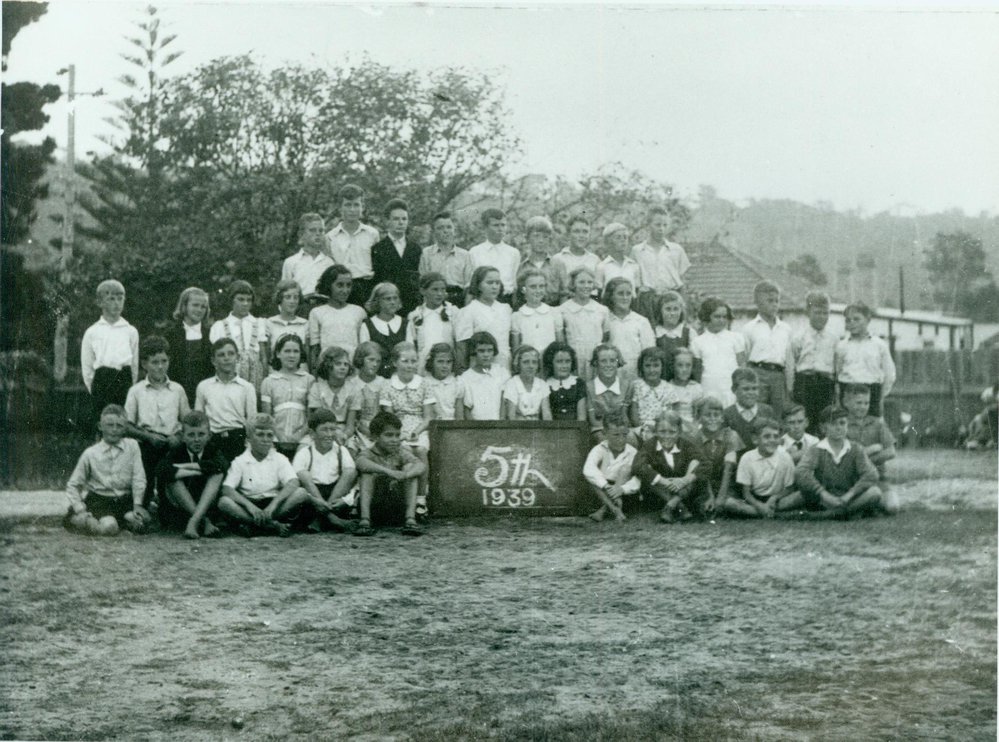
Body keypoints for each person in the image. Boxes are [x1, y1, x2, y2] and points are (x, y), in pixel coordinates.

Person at [124, 335, 190, 510]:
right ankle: (145, 504)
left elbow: (188, 421)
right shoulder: (136, 391)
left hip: (172, 445)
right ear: (144, 364)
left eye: (164, 361)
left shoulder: (177, 390)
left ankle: (168, 506)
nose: (160, 366)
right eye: (155, 362)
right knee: (143, 486)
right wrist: (148, 436)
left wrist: (178, 436)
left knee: (169, 497)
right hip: (146, 445)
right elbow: (127, 425)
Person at [64, 404, 148, 536]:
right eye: (109, 425)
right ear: (100, 426)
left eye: (119, 426)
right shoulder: (91, 453)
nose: (114, 429)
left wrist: (137, 504)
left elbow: (139, 477)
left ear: (125, 428)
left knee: (139, 523)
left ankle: (119, 526)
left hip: (124, 500)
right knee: (110, 527)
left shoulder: (132, 447)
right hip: (100, 501)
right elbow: (73, 485)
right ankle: (83, 520)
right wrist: (80, 509)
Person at [795, 405, 893, 516]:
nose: (839, 427)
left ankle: (834, 514)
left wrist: (849, 495)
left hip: (849, 497)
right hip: (825, 498)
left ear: (847, 426)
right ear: (823, 428)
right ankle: (842, 512)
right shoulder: (817, 449)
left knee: (875, 493)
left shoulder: (855, 448)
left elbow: (871, 474)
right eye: (833, 424)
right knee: (800, 495)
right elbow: (801, 472)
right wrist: (823, 493)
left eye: (842, 423)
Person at [217, 413, 306, 536]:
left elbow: (293, 482)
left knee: (300, 493)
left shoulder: (279, 458)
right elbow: (227, 489)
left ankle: (255, 526)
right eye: (260, 435)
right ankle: (272, 525)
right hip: (250, 506)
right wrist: (251, 507)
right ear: (248, 439)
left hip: (273, 505)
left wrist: (272, 506)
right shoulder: (240, 461)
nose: (265, 440)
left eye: (269, 435)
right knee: (224, 502)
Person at [379, 342, 436, 519]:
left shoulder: (424, 384)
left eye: (413, 361)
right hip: (396, 428)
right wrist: (400, 433)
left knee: (419, 450)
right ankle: (404, 500)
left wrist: (417, 432)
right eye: (405, 361)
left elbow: (428, 417)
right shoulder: (388, 386)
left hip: (419, 427)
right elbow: (388, 417)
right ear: (395, 363)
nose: (410, 365)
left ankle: (420, 499)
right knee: (405, 451)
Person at [354, 411, 427, 537]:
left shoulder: (400, 452)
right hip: (374, 509)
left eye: (397, 435)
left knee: (410, 467)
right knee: (368, 473)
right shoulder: (369, 453)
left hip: (397, 508)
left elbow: (420, 465)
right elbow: (360, 462)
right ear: (376, 437)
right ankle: (364, 522)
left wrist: (405, 475)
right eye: (389, 435)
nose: (394, 440)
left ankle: (410, 519)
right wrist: (389, 472)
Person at [156, 410, 227, 539]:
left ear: (209, 435)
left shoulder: (212, 449)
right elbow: (161, 470)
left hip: (206, 506)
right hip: (180, 512)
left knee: (217, 474)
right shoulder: (177, 451)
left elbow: (221, 466)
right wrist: (194, 471)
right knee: (173, 478)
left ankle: (194, 522)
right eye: (191, 435)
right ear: (182, 436)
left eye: (201, 434)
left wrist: (184, 467)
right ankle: (203, 522)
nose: (196, 439)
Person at [81, 279, 139, 430]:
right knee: (103, 423)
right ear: (100, 302)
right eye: (111, 299)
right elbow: (87, 367)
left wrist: (130, 385)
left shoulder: (130, 331)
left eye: (120, 299)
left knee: (122, 423)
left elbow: (134, 365)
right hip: (102, 382)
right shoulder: (92, 332)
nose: (117, 303)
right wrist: (95, 388)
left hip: (123, 380)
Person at [291, 409, 358, 532]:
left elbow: (352, 482)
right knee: (303, 474)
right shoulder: (305, 453)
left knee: (350, 471)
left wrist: (345, 500)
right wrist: (316, 501)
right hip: (312, 500)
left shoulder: (341, 451)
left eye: (333, 429)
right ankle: (332, 519)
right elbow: (297, 482)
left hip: (334, 499)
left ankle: (321, 518)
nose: (329, 434)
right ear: (312, 433)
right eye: (324, 430)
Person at [195, 338, 258, 463]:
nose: (226, 358)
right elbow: (199, 418)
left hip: (237, 439)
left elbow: (251, 420)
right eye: (221, 355)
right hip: (212, 439)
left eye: (231, 354)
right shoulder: (204, 386)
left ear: (238, 357)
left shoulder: (247, 387)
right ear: (213, 360)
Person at [723, 417, 799, 518]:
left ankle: (764, 513)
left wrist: (774, 498)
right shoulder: (747, 458)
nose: (772, 440)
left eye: (775, 437)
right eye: (767, 437)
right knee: (729, 503)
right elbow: (746, 494)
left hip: (778, 499)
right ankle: (774, 514)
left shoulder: (785, 457)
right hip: (755, 499)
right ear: (755, 439)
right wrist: (759, 505)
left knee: (800, 496)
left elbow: (790, 488)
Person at [633, 411, 702, 523]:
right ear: (655, 432)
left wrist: (685, 480)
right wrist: (663, 481)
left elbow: (705, 464)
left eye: (672, 432)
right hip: (659, 495)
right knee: (647, 472)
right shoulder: (649, 445)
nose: (667, 436)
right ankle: (680, 507)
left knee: (695, 463)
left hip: (684, 491)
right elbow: (637, 466)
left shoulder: (686, 444)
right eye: (662, 432)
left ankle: (670, 506)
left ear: (679, 432)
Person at [741, 280, 794, 418]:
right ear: (758, 302)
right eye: (770, 300)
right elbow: (745, 358)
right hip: (757, 373)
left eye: (777, 301)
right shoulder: (749, 328)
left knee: (778, 414)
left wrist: (789, 385)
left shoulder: (785, 329)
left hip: (778, 375)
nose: (774, 304)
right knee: (757, 413)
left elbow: (788, 360)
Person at [843, 383, 899, 512]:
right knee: (870, 497)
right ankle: (858, 506)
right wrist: (874, 448)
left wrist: (862, 459)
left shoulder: (877, 423)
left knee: (893, 507)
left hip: (879, 478)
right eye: (858, 403)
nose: (863, 407)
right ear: (846, 403)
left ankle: (867, 504)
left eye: (866, 403)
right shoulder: (843, 424)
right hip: (854, 480)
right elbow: (845, 456)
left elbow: (891, 452)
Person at [835, 302, 896, 418]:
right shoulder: (841, 346)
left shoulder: (879, 345)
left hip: (872, 393)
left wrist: (879, 396)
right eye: (848, 320)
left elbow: (890, 374)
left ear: (868, 319)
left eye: (856, 319)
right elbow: (837, 372)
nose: (852, 323)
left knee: (872, 428)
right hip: (848, 391)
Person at [630, 206, 690, 322]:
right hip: (648, 301)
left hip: (672, 299)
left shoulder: (676, 250)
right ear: (648, 225)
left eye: (665, 225)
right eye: (657, 225)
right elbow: (635, 282)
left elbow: (683, 280)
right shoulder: (637, 251)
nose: (661, 229)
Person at [209, 280, 268, 393]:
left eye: (248, 300)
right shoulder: (220, 326)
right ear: (232, 300)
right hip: (229, 372)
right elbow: (216, 356)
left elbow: (263, 356)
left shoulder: (259, 323)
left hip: (255, 376)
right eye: (241, 299)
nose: (245, 303)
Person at [791, 291, 838, 435]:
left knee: (825, 421)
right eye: (817, 313)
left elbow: (836, 366)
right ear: (808, 312)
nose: (822, 317)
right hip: (805, 383)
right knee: (807, 421)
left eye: (825, 313)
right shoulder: (799, 337)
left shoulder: (833, 338)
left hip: (825, 384)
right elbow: (792, 363)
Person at [260, 334, 313, 459]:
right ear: (278, 354)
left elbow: (311, 415)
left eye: (296, 351)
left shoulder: (309, 380)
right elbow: (267, 415)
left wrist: (299, 435)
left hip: (302, 436)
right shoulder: (269, 381)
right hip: (275, 436)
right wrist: (279, 435)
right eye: (287, 351)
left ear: (301, 354)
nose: (292, 355)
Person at [326, 183, 380, 306]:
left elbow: (377, 266)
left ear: (363, 207)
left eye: (356, 205)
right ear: (340, 208)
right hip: (340, 289)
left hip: (366, 288)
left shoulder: (372, 234)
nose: (352, 209)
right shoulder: (330, 237)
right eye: (347, 205)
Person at [688, 396, 741, 516]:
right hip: (704, 487)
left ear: (722, 417)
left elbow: (729, 469)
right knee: (705, 509)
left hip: (726, 487)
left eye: (716, 415)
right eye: (708, 415)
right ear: (699, 418)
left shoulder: (730, 435)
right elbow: (702, 470)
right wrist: (710, 496)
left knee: (730, 505)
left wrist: (721, 498)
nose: (713, 419)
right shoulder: (695, 438)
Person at [583, 411, 640, 522]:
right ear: (605, 433)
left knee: (626, 469)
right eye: (616, 435)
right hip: (603, 492)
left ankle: (604, 510)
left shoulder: (632, 452)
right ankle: (615, 510)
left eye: (624, 435)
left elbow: (637, 479)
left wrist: (621, 489)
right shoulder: (599, 449)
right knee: (592, 478)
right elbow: (588, 468)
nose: (621, 439)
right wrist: (606, 486)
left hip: (626, 495)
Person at [689, 297, 746, 406]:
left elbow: (742, 366)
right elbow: (697, 372)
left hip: (730, 388)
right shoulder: (697, 342)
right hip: (708, 388)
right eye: (717, 316)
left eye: (724, 317)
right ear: (706, 317)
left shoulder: (736, 338)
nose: (721, 320)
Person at [455, 266, 513, 372]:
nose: (495, 286)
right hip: (479, 368)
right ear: (478, 285)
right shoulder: (468, 311)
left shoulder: (505, 309)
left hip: (504, 366)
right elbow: (462, 347)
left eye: (497, 283)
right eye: (490, 283)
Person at [308, 264, 367, 368]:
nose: (345, 290)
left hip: (352, 368)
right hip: (327, 369)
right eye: (340, 285)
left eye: (348, 285)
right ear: (328, 285)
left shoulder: (359, 312)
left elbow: (363, 348)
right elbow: (315, 348)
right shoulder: (317, 312)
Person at [164, 286, 214, 406]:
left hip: (204, 392)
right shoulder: (170, 334)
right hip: (177, 391)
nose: (199, 310)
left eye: (203, 307)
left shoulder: (211, 333)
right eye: (195, 305)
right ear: (184, 306)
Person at [371, 198, 422, 314]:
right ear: (387, 221)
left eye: (404, 219)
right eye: (396, 219)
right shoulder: (378, 249)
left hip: (411, 306)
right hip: (386, 308)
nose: (401, 222)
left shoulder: (415, 249)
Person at [560, 267, 608, 381]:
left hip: (596, 359)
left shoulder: (602, 309)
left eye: (589, 282)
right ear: (573, 284)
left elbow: (606, 337)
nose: (586, 286)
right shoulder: (563, 309)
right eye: (581, 282)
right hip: (574, 358)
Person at [417, 211, 474, 307]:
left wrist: (466, 309)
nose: (445, 231)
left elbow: (469, 285)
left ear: (454, 230)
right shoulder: (427, 253)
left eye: (449, 227)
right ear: (434, 231)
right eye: (440, 228)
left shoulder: (465, 255)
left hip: (458, 300)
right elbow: (423, 281)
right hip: (434, 300)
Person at [603, 277, 655, 376]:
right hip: (610, 374)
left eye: (628, 293)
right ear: (611, 296)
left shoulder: (641, 321)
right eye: (620, 293)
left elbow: (649, 353)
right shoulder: (605, 319)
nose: (625, 297)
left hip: (635, 374)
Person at [281, 212, 334, 307]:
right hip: (300, 309)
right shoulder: (291, 262)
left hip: (323, 309)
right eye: (312, 230)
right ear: (302, 234)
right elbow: (284, 293)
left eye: (321, 231)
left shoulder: (329, 263)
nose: (318, 234)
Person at [511, 268, 565, 362]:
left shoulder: (554, 313)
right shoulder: (517, 316)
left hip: (550, 362)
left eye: (541, 286)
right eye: (533, 287)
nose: (538, 290)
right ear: (523, 289)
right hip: (529, 363)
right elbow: (516, 349)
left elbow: (560, 344)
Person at [406, 272, 457, 371]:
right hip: (423, 367)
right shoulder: (415, 316)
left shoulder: (453, 312)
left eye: (443, 289)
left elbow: (459, 343)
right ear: (422, 291)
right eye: (435, 289)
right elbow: (411, 346)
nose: (440, 294)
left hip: (447, 366)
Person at [468, 208, 520, 303]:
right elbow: (472, 284)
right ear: (485, 227)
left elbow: (514, 283)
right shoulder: (475, 252)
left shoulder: (513, 252)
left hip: (506, 299)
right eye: (496, 225)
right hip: (482, 301)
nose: (500, 229)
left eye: (503, 225)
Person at [307, 346, 359, 441]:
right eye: (338, 364)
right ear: (328, 366)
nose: (343, 367)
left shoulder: (353, 389)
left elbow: (350, 425)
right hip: (322, 430)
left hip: (345, 432)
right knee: (304, 445)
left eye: (346, 364)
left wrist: (344, 436)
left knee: (353, 446)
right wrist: (332, 434)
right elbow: (318, 420)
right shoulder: (317, 388)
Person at [458, 331, 510, 421]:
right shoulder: (465, 378)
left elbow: (504, 404)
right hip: (476, 428)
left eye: (490, 350)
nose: (486, 355)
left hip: (499, 427)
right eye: (481, 351)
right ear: (474, 352)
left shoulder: (502, 373)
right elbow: (467, 410)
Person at [347, 341, 389, 454]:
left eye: (378, 361)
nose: (375, 364)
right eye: (371, 360)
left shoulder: (383, 383)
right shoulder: (351, 383)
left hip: (378, 429)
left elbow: (387, 413)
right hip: (356, 429)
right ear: (361, 360)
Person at [722, 368, 776, 453]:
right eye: (746, 389)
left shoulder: (767, 411)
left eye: (754, 389)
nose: (751, 393)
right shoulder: (727, 414)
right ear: (734, 390)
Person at [517, 216, 568, 306]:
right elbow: (518, 297)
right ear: (528, 238)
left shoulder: (558, 264)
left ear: (550, 239)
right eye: (536, 236)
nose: (541, 241)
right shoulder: (522, 267)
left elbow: (564, 293)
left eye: (545, 237)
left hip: (553, 310)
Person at [586, 343, 633, 442]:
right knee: (604, 440)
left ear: (618, 362)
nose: (608, 365)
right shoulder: (589, 387)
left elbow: (624, 417)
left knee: (631, 438)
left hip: (621, 429)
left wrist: (618, 432)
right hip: (599, 430)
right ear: (596, 363)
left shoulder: (627, 385)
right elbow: (594, 421)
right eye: (603, 361)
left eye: (612, 361)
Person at [359, 282, 406, 377]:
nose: (392, 302)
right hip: (376, 375)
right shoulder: (367, 325)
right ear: (378, 301)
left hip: (400, 375)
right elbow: (365, 355)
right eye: (388, 299)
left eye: (395, 298)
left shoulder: (406, 323)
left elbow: (409, 352)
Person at [653, 290, 699, 382]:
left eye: (676, 309)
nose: (672, 313)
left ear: (681, 311)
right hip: (660, 382)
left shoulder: (689, 333)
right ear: (660, 311)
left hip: (682, 382)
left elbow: (695, 362)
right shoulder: (654, 332)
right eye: (668, 309)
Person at [629, 347, 673, 440]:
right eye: (647, 366)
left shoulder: (668, 388)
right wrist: (643, 428)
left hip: (660, 428)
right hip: (640, 428)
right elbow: (634, 414)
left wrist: (657, 428)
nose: (652, 370)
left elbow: (668, 414)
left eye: (656, 365)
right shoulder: (636, 385)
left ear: (662, 367)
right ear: (642, 367)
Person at [266, 280, 310, 366]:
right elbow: (268, 355)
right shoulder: (270, 323)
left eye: (296, 297)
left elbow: (307, 354)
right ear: (280, 299)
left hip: (300, 373)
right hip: (277, 373)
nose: (292, 301)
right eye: (288, 297)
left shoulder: (305, 324)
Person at [503, 345, 551, 420]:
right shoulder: (512, 384)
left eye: (534, 362)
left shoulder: (542, 384)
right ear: (518, 364)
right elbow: (510, 415)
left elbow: (547, 414)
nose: (531, 366)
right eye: (526, 362)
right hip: (517, 427)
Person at [552, 215, 600, 291]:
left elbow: (598, 288)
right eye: (577, 231)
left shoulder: (595, 259)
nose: (581, 236)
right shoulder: (558, 259)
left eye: (585, 232)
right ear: (568, 234)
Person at [544, 342, 588, 421]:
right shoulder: (545, 384)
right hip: (554, 430)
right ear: (551, 363)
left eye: (568, 361)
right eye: (559, 361)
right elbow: (547, 417)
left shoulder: (578, 383)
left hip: (576, 430)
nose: (564, 366)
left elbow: (582, 417)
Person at [423, 343, 464, 421]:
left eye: (448, 362)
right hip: (431, 427)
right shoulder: (424, 383)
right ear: (431, 362)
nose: (445, 366)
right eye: (440, 361)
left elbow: (459, 417)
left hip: (452, 428)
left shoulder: (457, 384)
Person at [595, 222, 641, 291]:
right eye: (618, 237)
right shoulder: (602, 267)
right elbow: (599, 293)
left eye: (625, 237)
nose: (623, 240)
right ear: (608, 241)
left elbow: (637, 291)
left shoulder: (633, 266)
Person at [665, 348, 703, 428]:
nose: (684, 369)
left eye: (688, 365)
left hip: (692, 427)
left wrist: (693, 428)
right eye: (680, 365)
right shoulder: (666, 387)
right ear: (672, 367)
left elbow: (698, 415)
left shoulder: (696, 387)